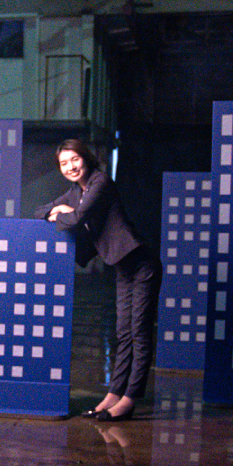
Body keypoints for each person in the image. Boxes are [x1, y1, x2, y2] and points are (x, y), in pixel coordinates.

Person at [34, 138, 161, 421]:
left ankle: (130, 399)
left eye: (74, 160)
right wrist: (58, 210)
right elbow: (39, 211)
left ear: (86, 158)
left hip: (142, 264)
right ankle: (114, 394)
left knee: (138, 331)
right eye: (63, 163)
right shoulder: (75, 192)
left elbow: (78, 219)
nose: (70, 167)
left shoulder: (100, 182)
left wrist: (67, 213)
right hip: (122, 267)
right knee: (123, 332)